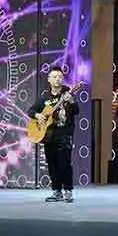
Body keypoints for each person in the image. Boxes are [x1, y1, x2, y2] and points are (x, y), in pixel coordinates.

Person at [28, 67, 79, 203]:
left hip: (65, 134)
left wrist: (71, 101)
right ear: (49, 79)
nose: (58, 79)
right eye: (55, 76)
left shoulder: (67, 93)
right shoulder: (44, 98)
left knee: (65, 163)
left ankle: (68, 191)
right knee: (52, 164)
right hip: (49, 136)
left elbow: (76, 110)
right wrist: (38, 115)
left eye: (60, 77)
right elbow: (31, 111)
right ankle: (56, 191)